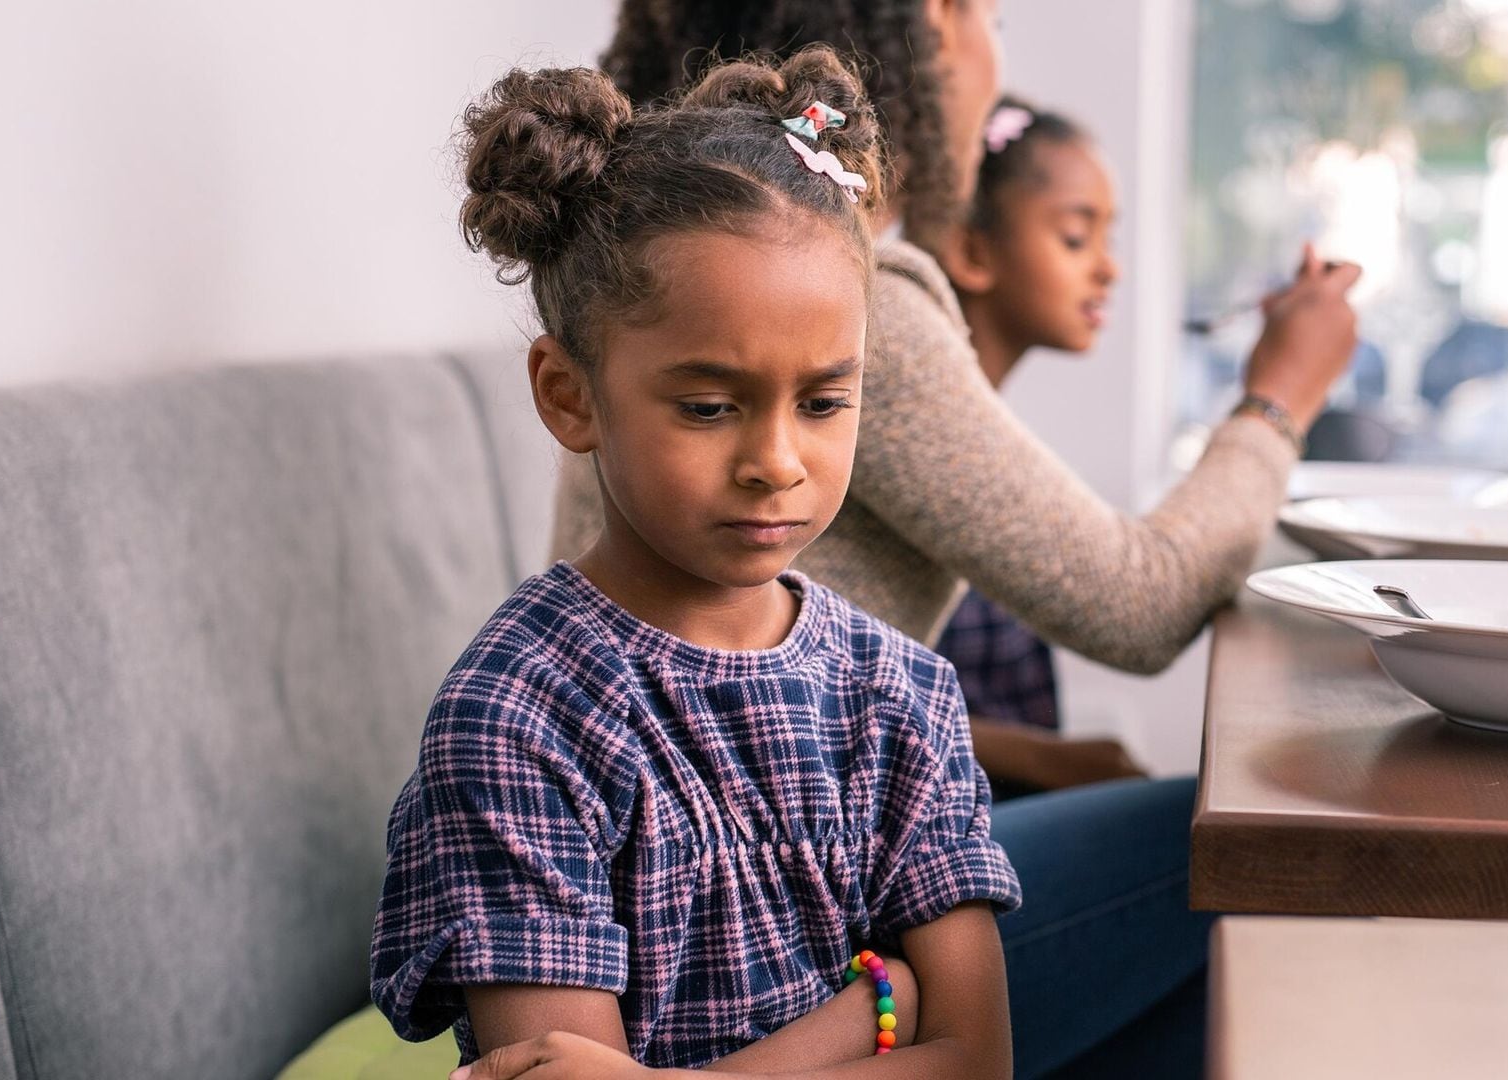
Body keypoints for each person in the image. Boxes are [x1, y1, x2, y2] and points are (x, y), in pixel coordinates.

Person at [555, 5, 1362, 1078]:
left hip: (774, 869)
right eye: (975, 7)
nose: (775, 457)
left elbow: (766, 683)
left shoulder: (662, 281)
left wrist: (1014, 751)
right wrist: (1278, 396)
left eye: (824, 406)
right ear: (925, 32)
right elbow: (1143, 599)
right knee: (1255, 843)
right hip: (760, 934)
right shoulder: (844, 301)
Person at [372, 50, 1023, 1078]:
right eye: (709, 407)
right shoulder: (518, 718)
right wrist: (874, 1008)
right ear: (569, 393)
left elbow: (977, 1061)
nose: (775, 462)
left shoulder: (900, 696)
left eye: (823, 401)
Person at [931, 97, 1141, 795]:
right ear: (971, 249)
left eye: (1109, 239)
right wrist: (1048, 761)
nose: (1108, 269)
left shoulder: (984, 432)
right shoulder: (917, 444)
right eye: (1077, 238)